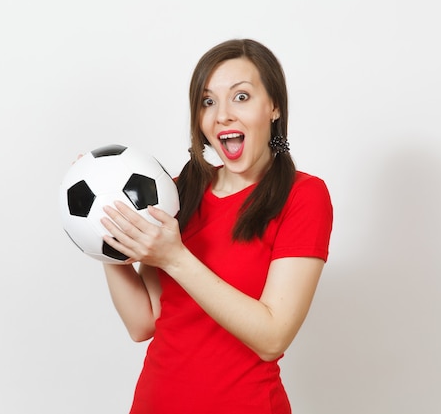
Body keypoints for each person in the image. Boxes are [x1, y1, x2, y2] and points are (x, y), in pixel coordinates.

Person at [99, 38, 333, 414]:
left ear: (274, 106)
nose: (222, 115)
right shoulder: (179, 192)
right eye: (208, 101)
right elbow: (143, 322)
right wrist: (104, 231)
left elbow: (272, 337)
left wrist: (175, 258)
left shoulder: (304, 196)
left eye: (241, 97)